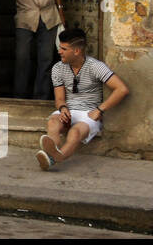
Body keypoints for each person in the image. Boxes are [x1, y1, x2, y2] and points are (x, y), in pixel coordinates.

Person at [36, 27, 129, 170]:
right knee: (53, 122)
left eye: (64, 49)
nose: (59, 51)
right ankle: (52, 153)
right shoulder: (57, 68)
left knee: (75, 132)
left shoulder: (96, 67)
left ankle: (56, 157)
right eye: (60, 47)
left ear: (77, 51)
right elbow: (59, 98)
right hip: (69, 110)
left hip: (89, 114)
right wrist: (63, 108)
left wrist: (100, 109)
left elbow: (122, 89)